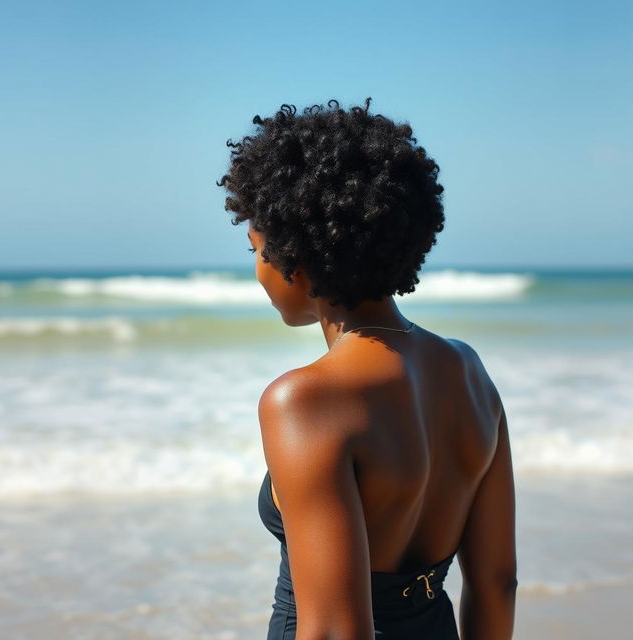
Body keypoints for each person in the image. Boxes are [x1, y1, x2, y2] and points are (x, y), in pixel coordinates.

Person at [217, 98, 517, 640]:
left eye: (256, 249)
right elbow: (497, 583)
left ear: (294, 255)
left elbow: (334, 629)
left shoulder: (305, 400)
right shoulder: (469, 374)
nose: (258, 271)